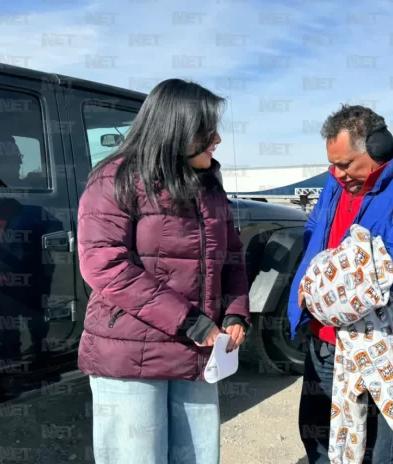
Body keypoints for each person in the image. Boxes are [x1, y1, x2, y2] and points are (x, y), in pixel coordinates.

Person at [76, 79, 251, 464]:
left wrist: (235, 313)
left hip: (197, 349)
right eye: (207, 131)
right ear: (176, 128)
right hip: (130, 352)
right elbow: (105, 264)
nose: (217, 139)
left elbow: (232, 257)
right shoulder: (115, 179)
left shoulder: (208, 186)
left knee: (198, 457)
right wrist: (190, 321)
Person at [287, 104, 393, 463]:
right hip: (324, 339)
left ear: (378, 148)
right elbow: (314, 229)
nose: (337, 173)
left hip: (377, 344)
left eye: (345, 164)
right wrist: (315, 279)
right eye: (332, 165)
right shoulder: (335, 183)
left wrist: (320, 288)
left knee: (375, 449)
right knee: (317, 434)